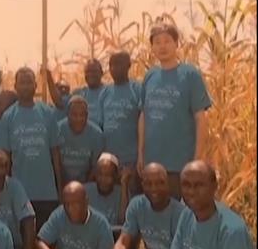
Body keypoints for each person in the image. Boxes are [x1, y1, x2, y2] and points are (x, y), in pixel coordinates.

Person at [134, 160, 257, 249]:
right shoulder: (187, 215)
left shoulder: (231, 230)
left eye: (199, 185)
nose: (191, 191)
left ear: (214, 187)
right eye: (186, 185)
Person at [138, 21, 212, 199]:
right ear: (152, 47)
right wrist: (141, 153)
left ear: (176, 44)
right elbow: (143, 116)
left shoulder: (190, 75)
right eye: (157, 42)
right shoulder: (150, 76)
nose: (162, 46)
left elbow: (200, 118)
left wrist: (197, 158)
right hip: (153, 166)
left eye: (167, 41)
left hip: (181, 164)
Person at [104, 163, 185, 249]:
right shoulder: (137, 204)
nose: (154, 188)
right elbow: (124, 241)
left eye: (159, 183)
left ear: (168, 184)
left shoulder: (181, 213)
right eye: (149, 183)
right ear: (142, 185)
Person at [0, 67, 63, 230]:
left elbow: (55, 153)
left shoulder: (47, 113)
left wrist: (59, 186)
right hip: (20, 191)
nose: (26, 86)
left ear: (35, 85)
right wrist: (6, 191)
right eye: (22, 83)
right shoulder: (8, 116)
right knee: (23, 237)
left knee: (45, 236)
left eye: (29, 82)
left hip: (46, 191)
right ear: (15, 86)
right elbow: (5, 158)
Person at [99, 51, 142, 194]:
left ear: (128, 66)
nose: (114, 69)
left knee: (130, 195)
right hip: (109, 162)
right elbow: (101, 125)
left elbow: (144, 123)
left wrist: (140, 158)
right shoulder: (105, 92)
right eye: (111, 65)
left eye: (118, 65)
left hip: (131, 159)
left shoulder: (137, 90)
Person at [58, 95, 105, 184]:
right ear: (67, 115)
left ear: (87, 116)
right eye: (74, 115)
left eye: (82, 115)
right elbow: (55, 163)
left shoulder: (96, 134)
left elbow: (95, 167)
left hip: (86, 181)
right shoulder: (58, 131)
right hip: (61, 181)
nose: (78, 119)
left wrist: (85, 187)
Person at [84, 153, 131, 228]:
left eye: (108, 175)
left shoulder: (122, 192)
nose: (103, 179)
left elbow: (123, 221)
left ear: (115, 176)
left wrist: (124, 184)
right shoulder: (85, 190)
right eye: (100, 174)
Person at [71, 59, 105, 126]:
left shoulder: (108, 92)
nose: (90, 74)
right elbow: (60, 103)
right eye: (87, 72)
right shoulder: (78, 93)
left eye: (94, 71)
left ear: (101, 73)